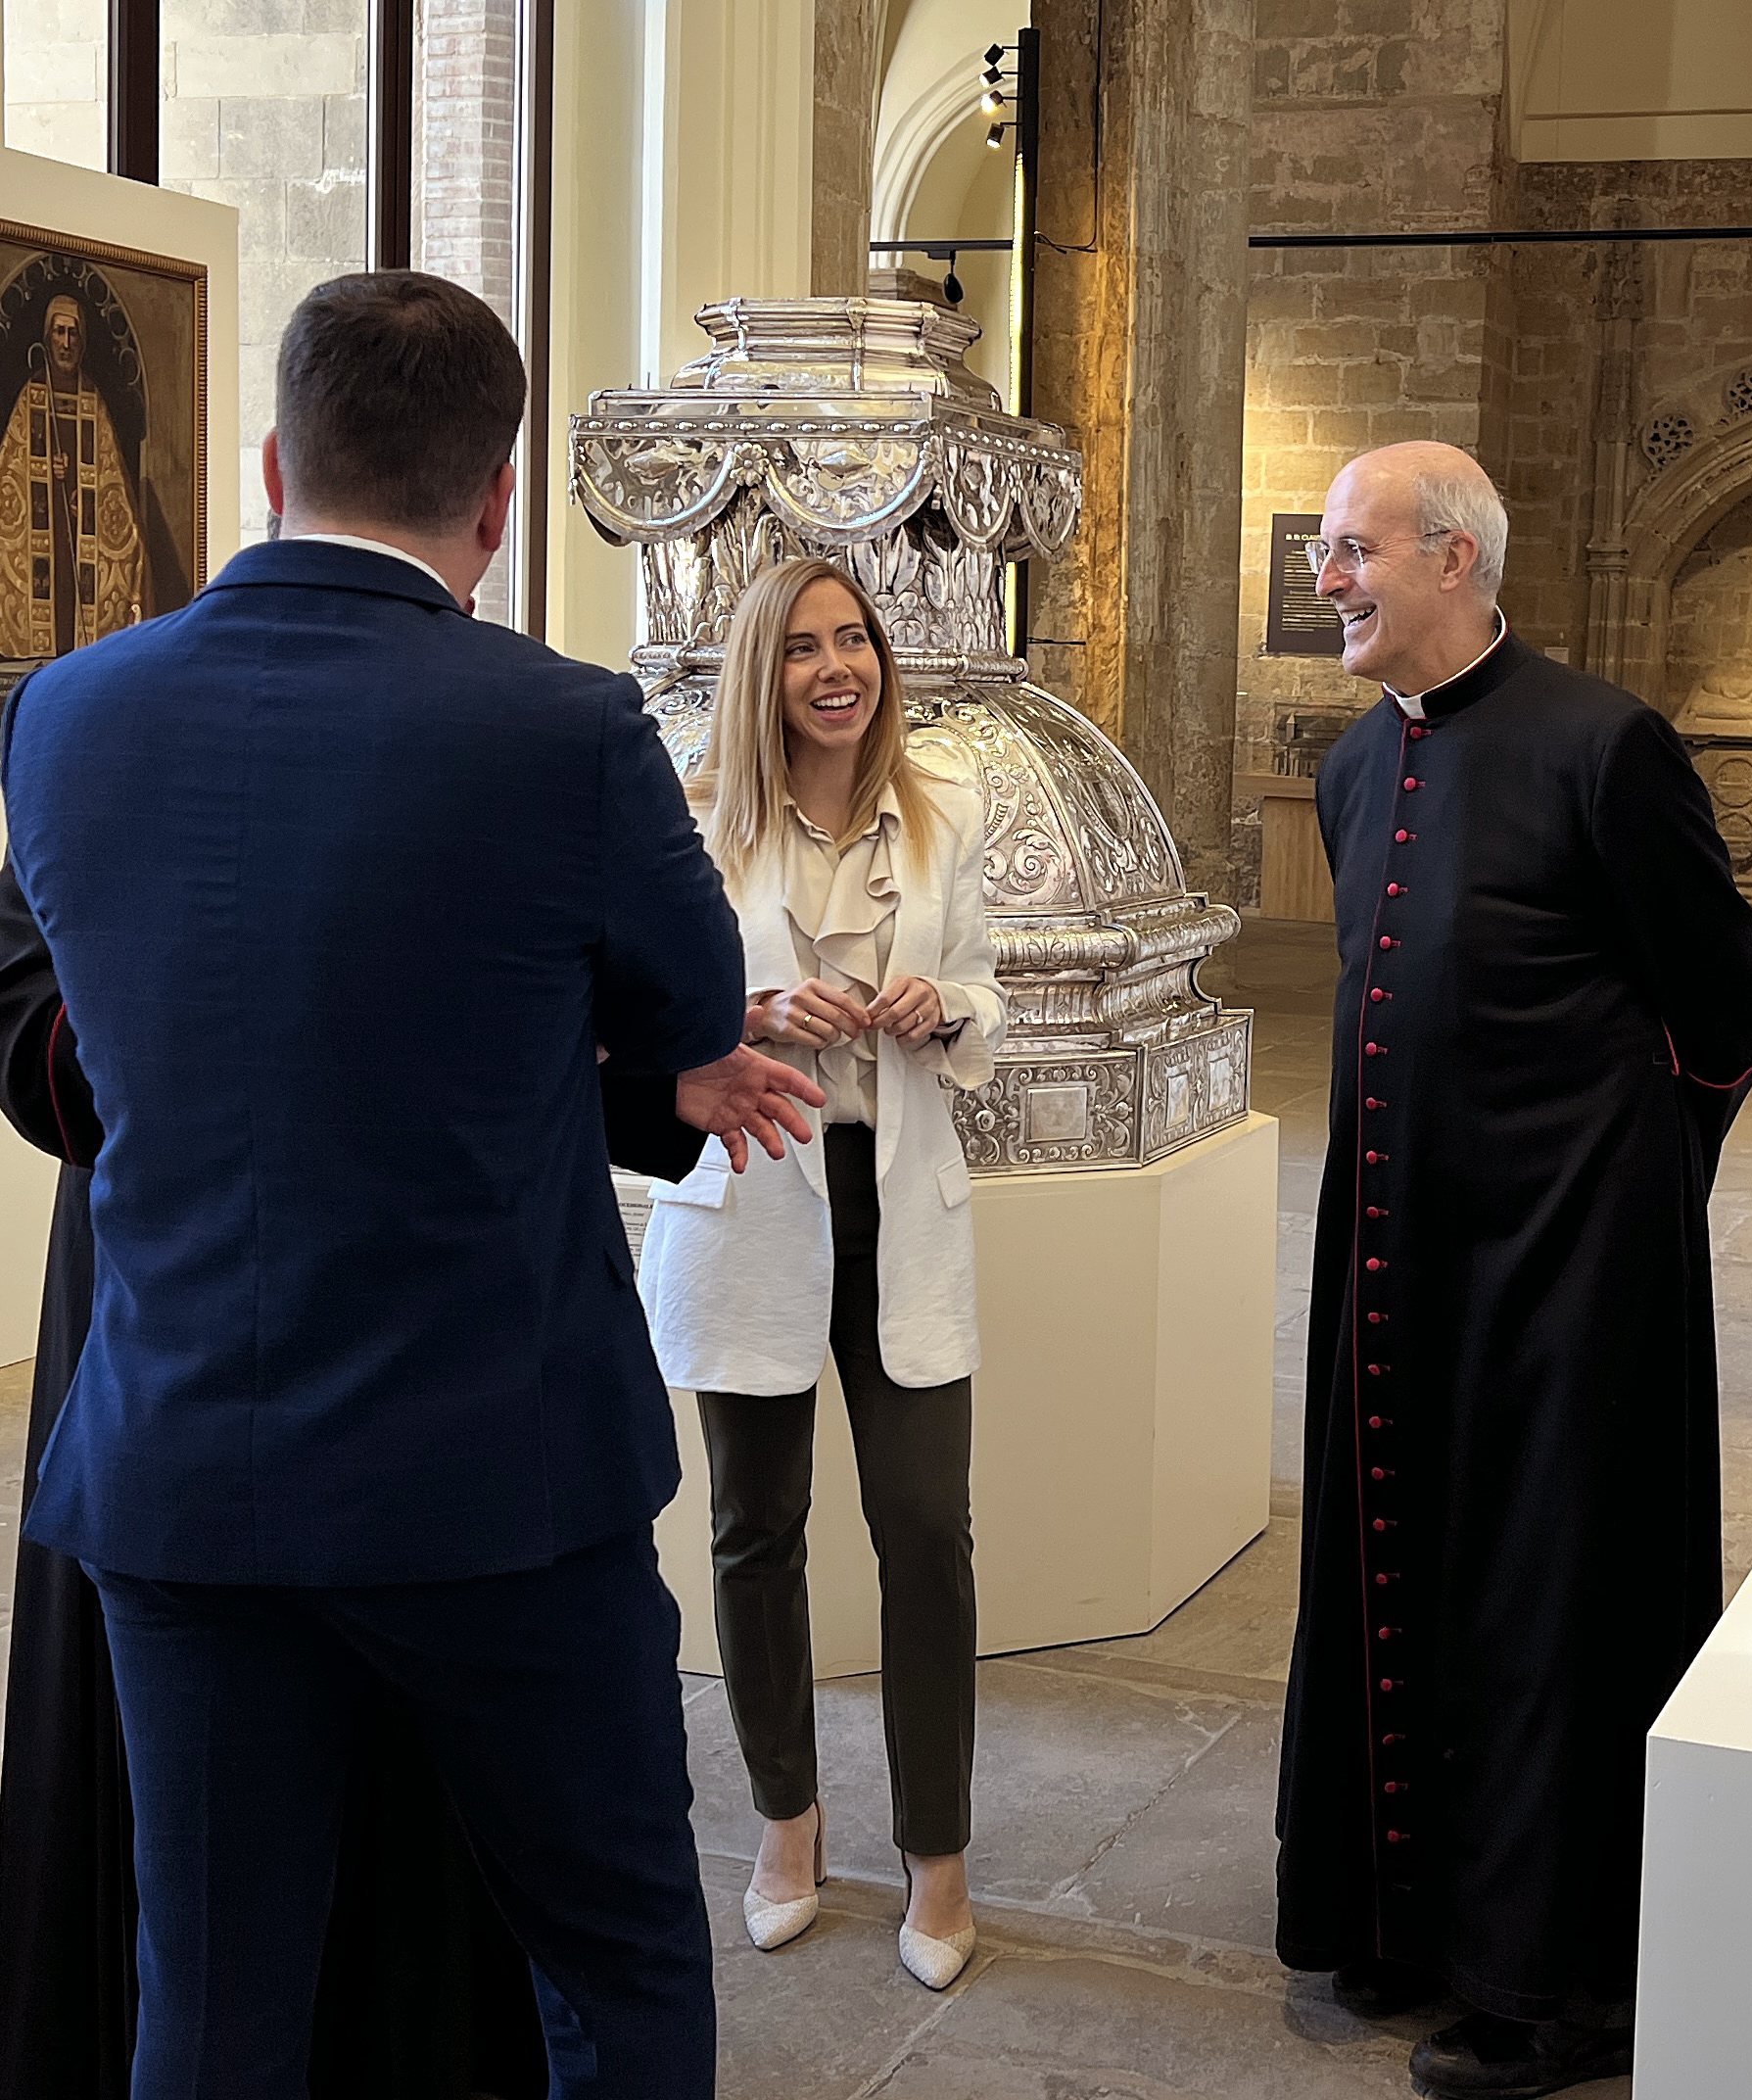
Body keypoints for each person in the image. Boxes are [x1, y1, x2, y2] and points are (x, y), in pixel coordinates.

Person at [1, 270, 822, 2094]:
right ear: (499, 498)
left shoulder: (65, 712)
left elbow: (132, 1011)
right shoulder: (564, 725)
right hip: (496, 1481)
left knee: (208, 2008)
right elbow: (685, 1013)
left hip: (184, 1471)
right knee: (610, 1960)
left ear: (272, 460)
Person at [0, 856, 720, 2098]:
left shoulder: (490, 762)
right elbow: (32, 1031)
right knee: (212, 1938)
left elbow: (578, 1001)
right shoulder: (85, 760)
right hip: (185, 1300)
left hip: (433, 1316)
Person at [1273, 441, 1752, 2098]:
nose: (1327, 579)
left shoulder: (1604, 745)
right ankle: (1404, 1913)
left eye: (1353, 550)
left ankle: (1555, 1978)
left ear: (1455, 558)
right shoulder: (1357, 764)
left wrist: (1628, 1187)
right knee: (1395, 1560)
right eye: (1327, 551)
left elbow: (1726, 1006)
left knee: (1547, 1596)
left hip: (1568, 1267)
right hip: (1392, 1248)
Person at [638, 556, 1007, 1992]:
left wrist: (942, 1002)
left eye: (853, 640)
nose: (836, 667)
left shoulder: (945, 811)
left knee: (925, 1529)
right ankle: (785, 1823)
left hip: (897, 1204)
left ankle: (938, 1854)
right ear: (761, 671)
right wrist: (745, 1010)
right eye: (801, 647)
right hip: (751, 1194)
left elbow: (985, 993)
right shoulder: (693, 824)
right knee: (753, 1527)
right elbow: (635, 1016)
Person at [1, 292, 148, 659]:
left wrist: (82, 494)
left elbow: (114, 496)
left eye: (73, 333)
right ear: (47, 337)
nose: (66, 343)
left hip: (81, 541)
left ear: (82, 341)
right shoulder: (32, 396)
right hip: (42, 543)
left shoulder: (92, 402)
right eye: (59, 332)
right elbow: (9, 490)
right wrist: (43, 475)